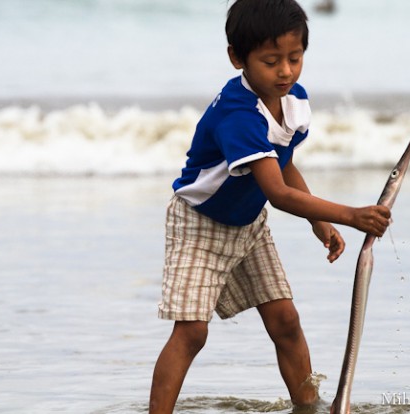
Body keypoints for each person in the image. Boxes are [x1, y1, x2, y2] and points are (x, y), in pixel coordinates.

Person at [148, 0, 390, 412]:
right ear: (237, 58)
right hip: (199, 224)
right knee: (192, 332)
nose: (285, 72)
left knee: (286, 322)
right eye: (270, 61)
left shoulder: (292, 99)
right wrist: (349, 215)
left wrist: (317, 221)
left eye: (294, 59)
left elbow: (284, 162)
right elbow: (277, 193)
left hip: (248, 224)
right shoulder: (237, 115)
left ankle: (308, 407)